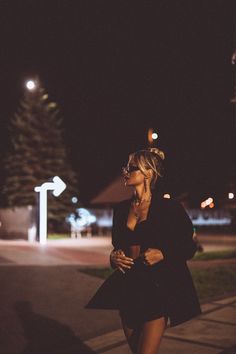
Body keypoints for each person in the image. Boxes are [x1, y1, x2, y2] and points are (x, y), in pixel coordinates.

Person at [85, 147, 202, 354]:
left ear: (148, 173)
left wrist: (164, 253)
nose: (125, 171)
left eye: (131, 168)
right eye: (125, 167)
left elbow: (188, 245)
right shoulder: (121, 209)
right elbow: (117, 245)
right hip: (128, 287)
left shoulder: (169, 208)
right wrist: (114, 257)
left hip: (158, 288)